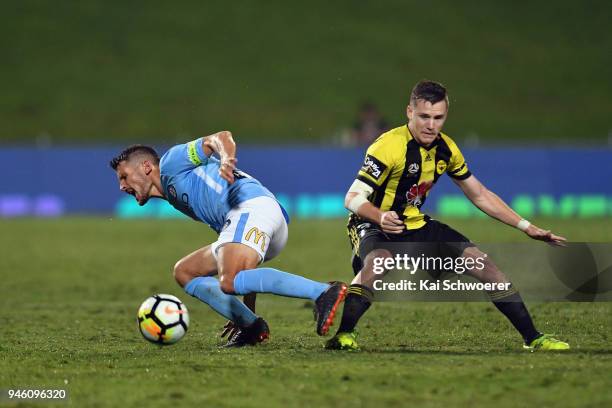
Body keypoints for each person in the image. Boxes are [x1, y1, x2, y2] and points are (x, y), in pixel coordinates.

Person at [325, 80, 570, 351]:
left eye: (438, 117)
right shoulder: (388, 147)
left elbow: (480, 194)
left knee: (486, 267)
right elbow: (352, 198)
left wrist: (527, 226)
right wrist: (380, 217)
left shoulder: (446, 149)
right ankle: (344, 335)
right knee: (379, 262)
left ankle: (533, 338)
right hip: (372, 223)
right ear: (410, 112)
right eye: (424, 117)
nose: (431, 125)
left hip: (415, 223)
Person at [110, 132, 347, 347]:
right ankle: (251, 326)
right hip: (256, 219)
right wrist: (246, 312)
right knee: (185, 272)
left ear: (146, 166)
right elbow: (239, 254)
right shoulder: (178, 196)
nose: (121, 186)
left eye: (124, 177)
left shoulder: (171, 164)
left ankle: (323, 292)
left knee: (228, 281)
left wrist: (226, 159)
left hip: (251, 207)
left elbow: (220, 138)